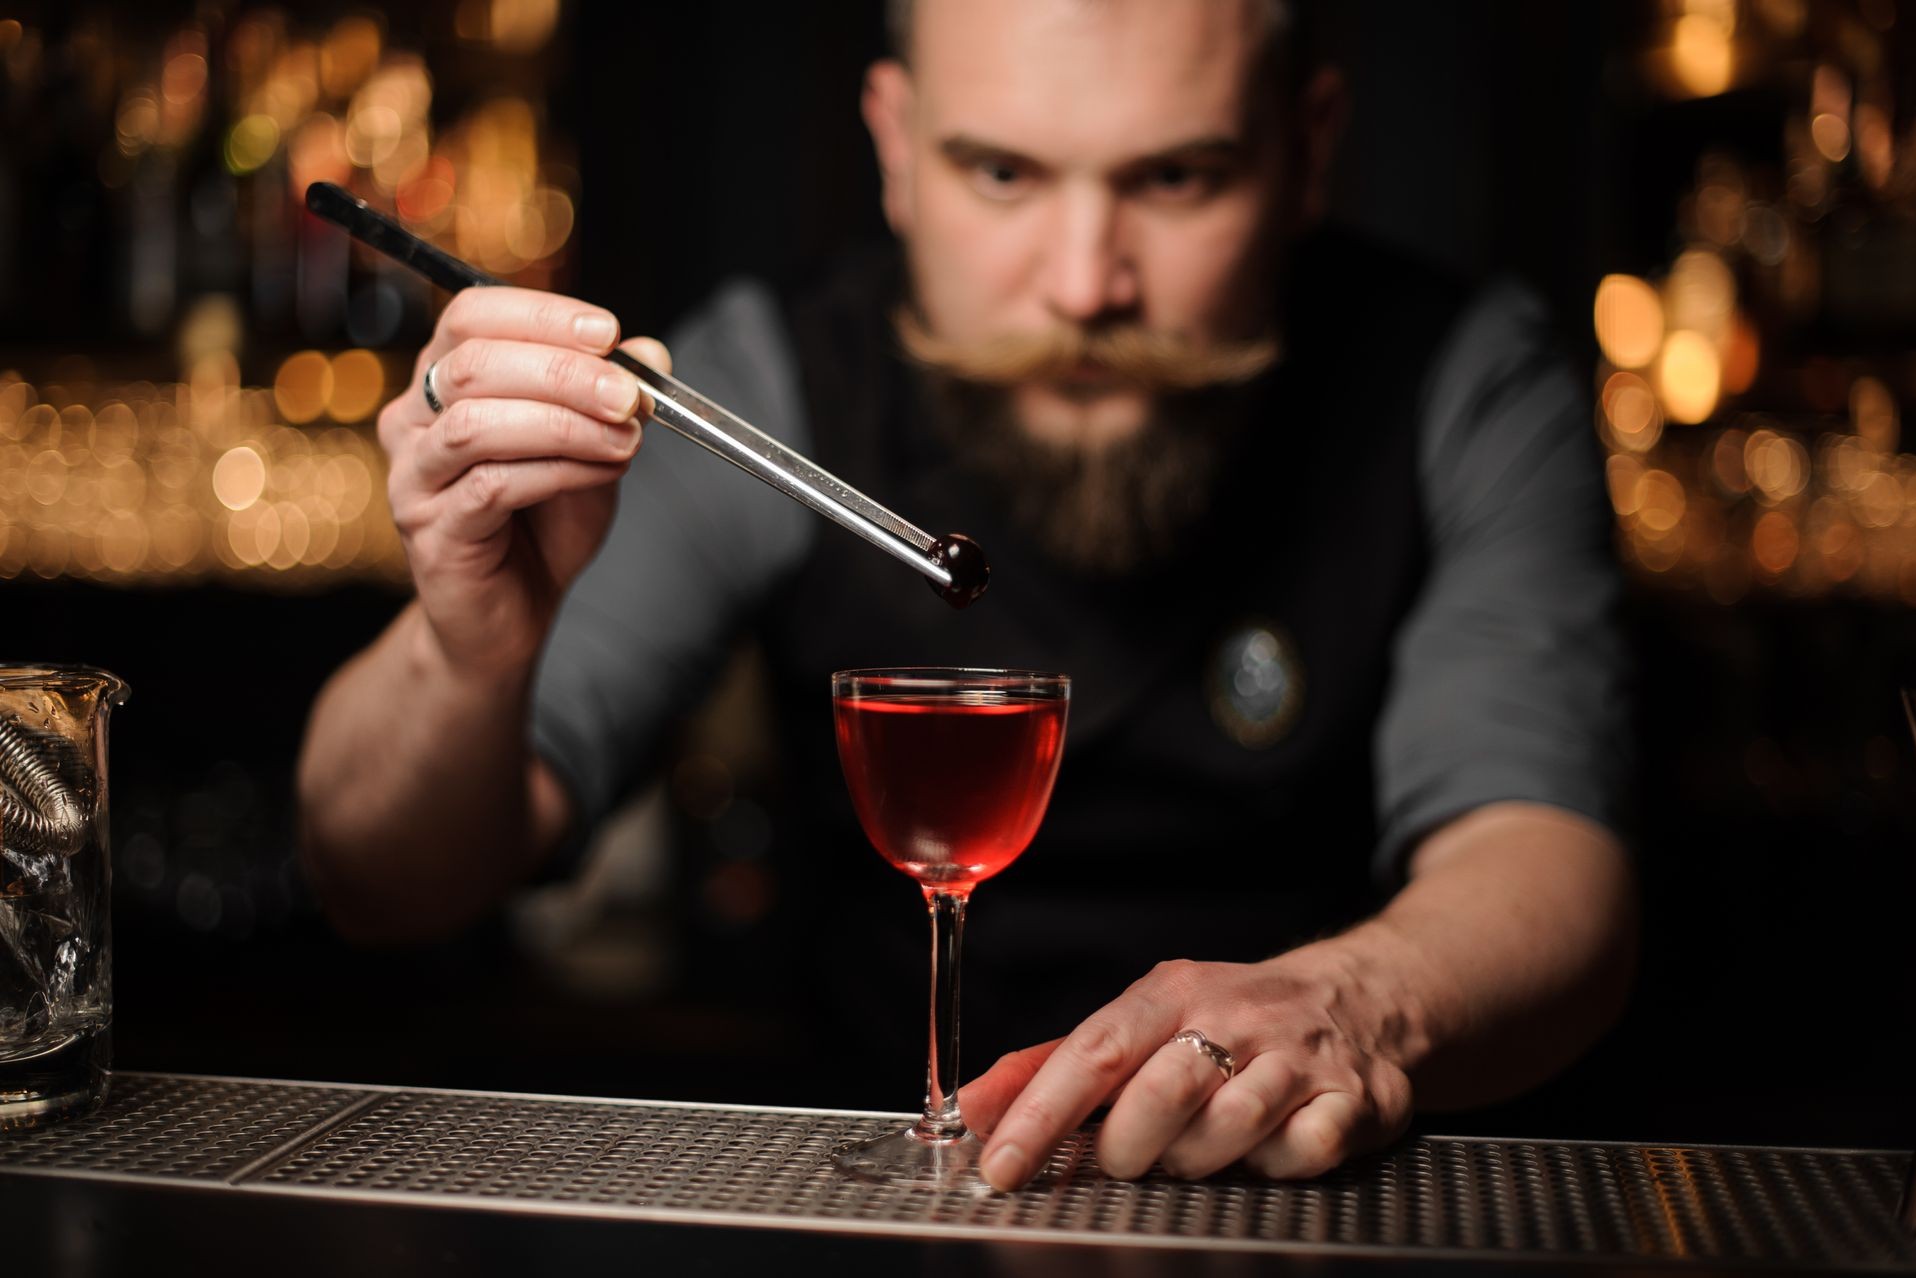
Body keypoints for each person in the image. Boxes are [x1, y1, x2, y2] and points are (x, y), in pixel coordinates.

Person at [298, 0, 1636, 1194]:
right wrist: (468, 645)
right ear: (895, 144)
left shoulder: (1463, 383)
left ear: (1307, 147)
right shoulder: (763, 383)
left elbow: (1547, 856)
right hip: (885, 1203)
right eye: (1000, 172)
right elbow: (383, 880)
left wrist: (1359, 999)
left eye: (1176, 177)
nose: (1082, 285)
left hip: (1317, 1203)